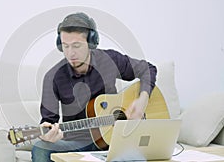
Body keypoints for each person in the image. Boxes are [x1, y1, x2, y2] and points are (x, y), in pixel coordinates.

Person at [31, 12, 157, 162]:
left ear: (91, 42)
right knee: (40, 148)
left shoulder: (110, 60)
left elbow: (147, 69)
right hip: (77, 143)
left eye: (76, 46)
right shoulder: (52, 77)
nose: (71, 53)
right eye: (65, 46)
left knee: (134, 158)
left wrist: (143, 99)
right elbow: (48, 121)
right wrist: (48, 134)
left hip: (118, 138)